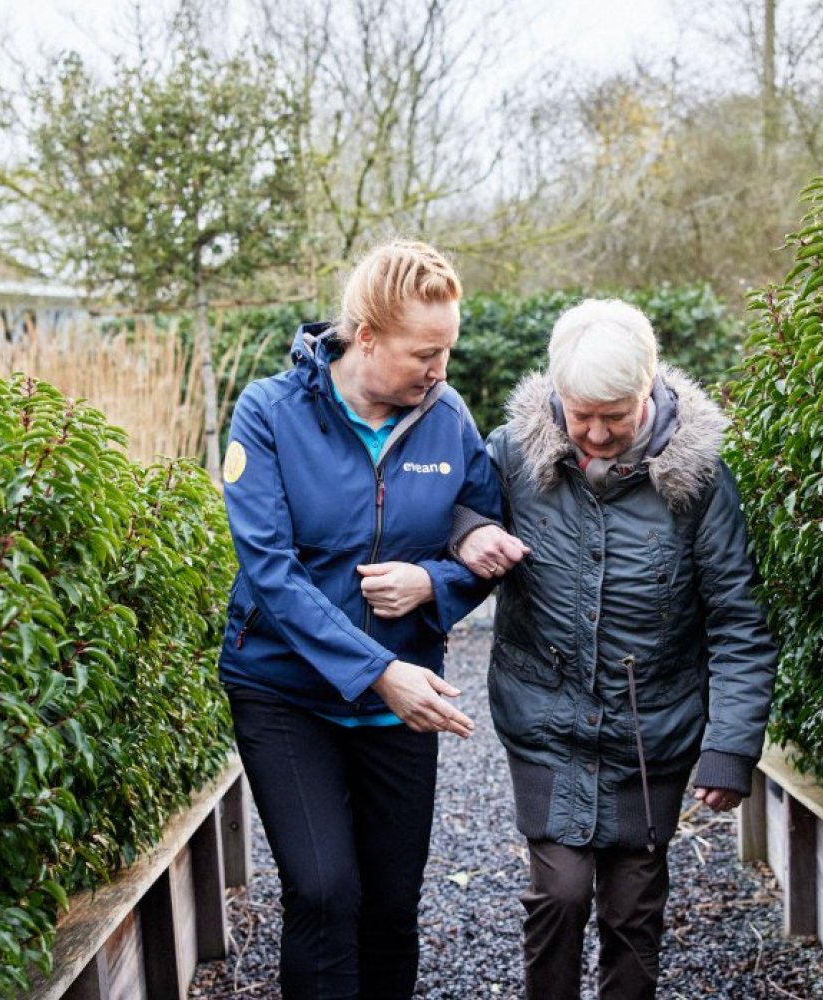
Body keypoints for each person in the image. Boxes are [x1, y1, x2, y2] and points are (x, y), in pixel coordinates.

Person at [454, 298, 778, 1000]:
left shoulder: (701, 482)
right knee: (561, 894)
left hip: (651, 733)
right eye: (581, 414)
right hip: (545, 722)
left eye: (616, 414)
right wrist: (467, 533)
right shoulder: (511, 455)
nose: (597, 433)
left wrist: (731, 746)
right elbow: (456, 513)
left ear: (649, 390)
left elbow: (736, 621)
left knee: (633, 908)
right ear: (554, 396)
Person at [216, 239, 503, 999]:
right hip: (285, 692)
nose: (439, 370)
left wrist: (431, 584)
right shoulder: (268, 414)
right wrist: (378, 671)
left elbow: (485, 538)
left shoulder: (449, 419)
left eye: (447, 350)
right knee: (321, 892)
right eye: (424, 353)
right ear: (365, 336)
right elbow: (271, 572)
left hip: (399, 709)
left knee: (390, 908)